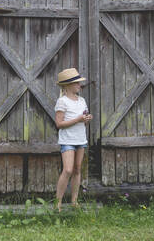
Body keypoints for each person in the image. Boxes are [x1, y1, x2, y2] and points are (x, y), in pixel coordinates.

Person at [54, 68, 93, 212]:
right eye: (77, 83)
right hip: (68, 140)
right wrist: (78, 119)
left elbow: (84, 120)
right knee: (68, 170)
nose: (79, 85)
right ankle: (57, 203)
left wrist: (86, 119)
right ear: (68, 85)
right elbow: (59, 124)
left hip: (81, 139)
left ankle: (74, 201)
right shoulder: (62, 102)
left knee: (77, 170)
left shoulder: (82, 100)